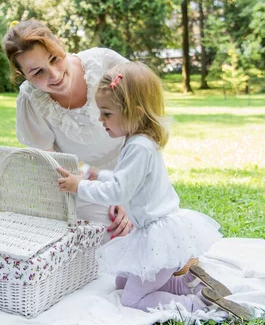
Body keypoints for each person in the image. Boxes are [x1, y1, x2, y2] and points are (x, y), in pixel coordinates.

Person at [55, 62, 251, 320]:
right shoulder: (134, 141)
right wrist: (97, 174)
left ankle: (197, 302)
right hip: (151, 233)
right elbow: (128, 180)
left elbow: (118, 192)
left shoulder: (139, 147)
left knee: (132, 300)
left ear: (135, 113)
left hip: (159, 238)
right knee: (121, 283)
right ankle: (182, 284)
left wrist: (79, 187)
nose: (100, 119)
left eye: (106, 113)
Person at [1, 19, 133, 240]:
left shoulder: (105, 63)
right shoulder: (31, 100)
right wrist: (94, 188)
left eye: (54, 59)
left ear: (60, 44)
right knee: (108, 235)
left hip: (135, 167)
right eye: (37, 72)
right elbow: (51, 162)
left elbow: (145, 127)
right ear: (24, 76)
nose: (54, 75)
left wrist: (126, 194)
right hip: (81, 182)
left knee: (148, 229)